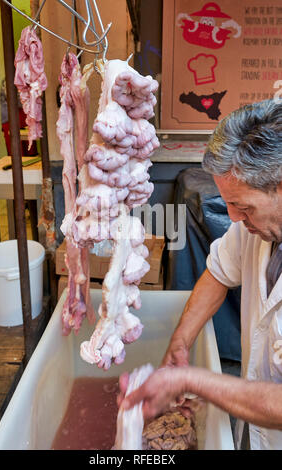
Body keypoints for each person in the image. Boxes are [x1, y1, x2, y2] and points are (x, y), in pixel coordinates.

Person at [118, 99, 282, 450]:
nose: (234, 218)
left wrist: (192, 379)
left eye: (244, 206)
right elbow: (218, 273)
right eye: (230, 205)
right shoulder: (253, 229)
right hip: (256, 433)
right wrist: (180, 343)